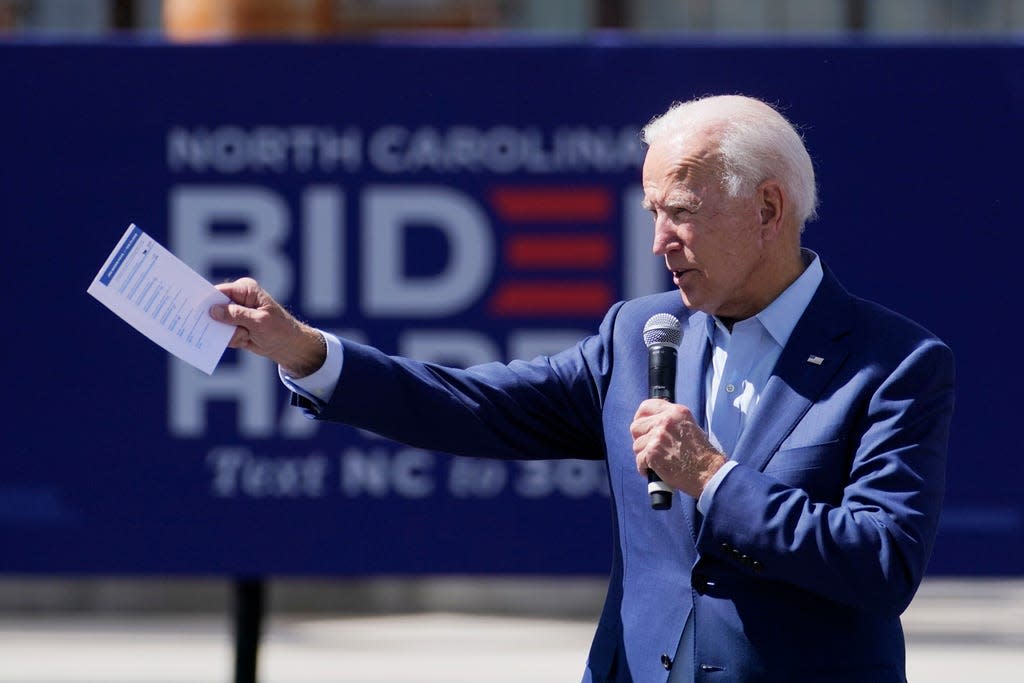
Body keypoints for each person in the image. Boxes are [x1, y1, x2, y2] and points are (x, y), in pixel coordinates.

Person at [210, 94, 955, 682]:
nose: (660, 241)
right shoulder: (638, 334)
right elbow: (474, 406)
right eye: (654, 214)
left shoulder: (895, 361)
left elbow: (881, 562)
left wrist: (715, 479)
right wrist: (305, 351)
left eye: (683, 213)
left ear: (767, 209)